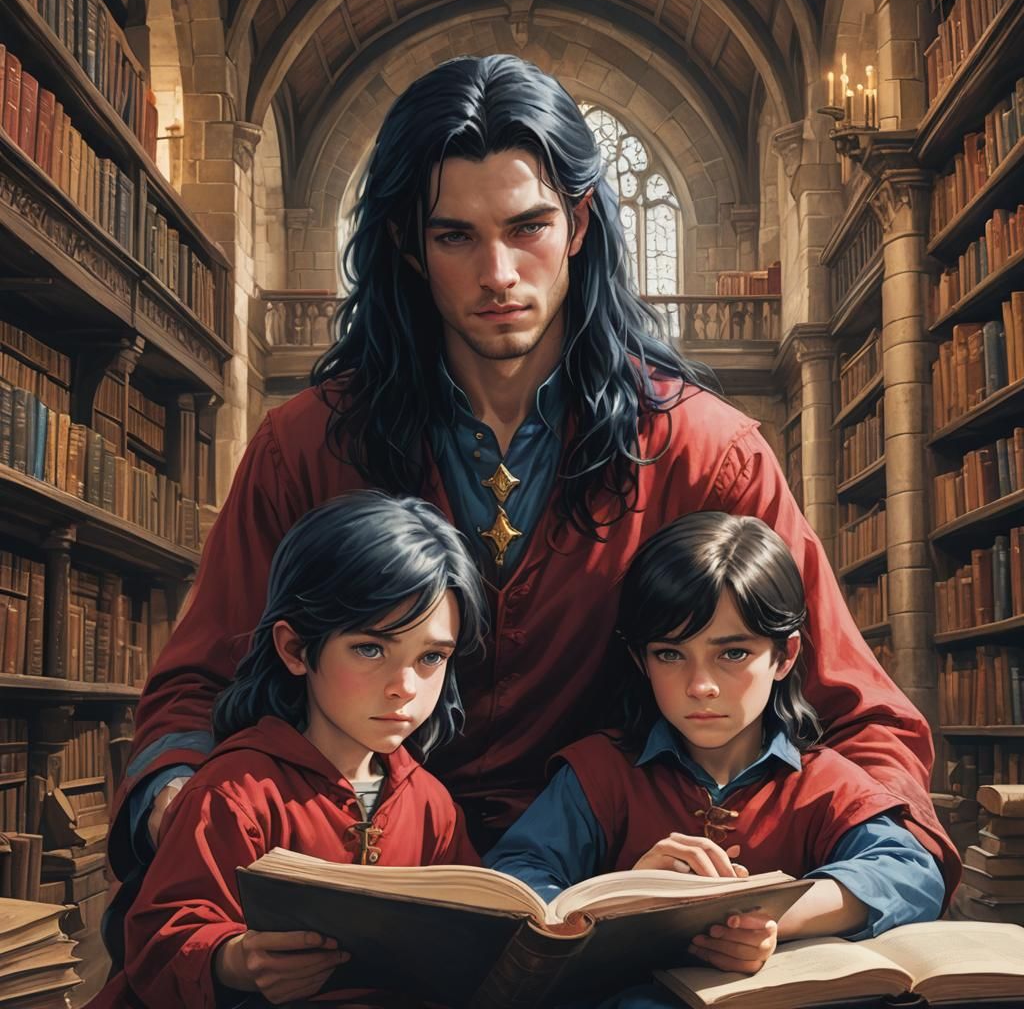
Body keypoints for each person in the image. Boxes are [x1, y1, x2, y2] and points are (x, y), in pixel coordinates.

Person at [107, 53, 957, 919]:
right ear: (406, 241)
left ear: (580, 223)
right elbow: (195, 694)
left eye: (528, 227)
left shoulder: (710, 451)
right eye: (455, 237)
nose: (498, 274)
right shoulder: (304, 445)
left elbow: (856, 716)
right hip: (359, 892)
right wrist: (185, 808)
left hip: (604, 900)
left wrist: (852, 880)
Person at [485, 512, 944, 1004]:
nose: (700, 686)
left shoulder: (825, 780)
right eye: (670, 654)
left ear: (784, 656)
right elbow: (514, 883)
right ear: (640, 660)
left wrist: (769, 919)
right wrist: (623, 897)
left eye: (733, 654)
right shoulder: (598, 773)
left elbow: (910, 872)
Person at [95, 491, 487, 1008]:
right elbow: (158, 938)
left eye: (431, 657)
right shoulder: (234, 793)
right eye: (370, 649)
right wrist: (235, 958)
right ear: (295, 649)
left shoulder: (432, 805)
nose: (405, 687)